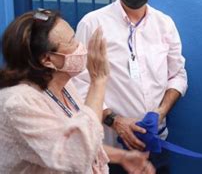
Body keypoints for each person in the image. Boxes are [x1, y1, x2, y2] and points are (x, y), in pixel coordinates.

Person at [73, 0, 188, 173]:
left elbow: (178, 75)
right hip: (110, 147)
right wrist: (115, 120)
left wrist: (160, 112)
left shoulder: (165, 24)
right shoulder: (92, 23)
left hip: (156, 142)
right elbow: (78, 82)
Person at [0, 10, 154, 174]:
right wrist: (98, 80)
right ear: (47, 59)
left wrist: (121, 157)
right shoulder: (18, 103)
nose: (81, 46)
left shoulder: (64, 86)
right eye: (72, 41)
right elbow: (77, 152)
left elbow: (71, 139)